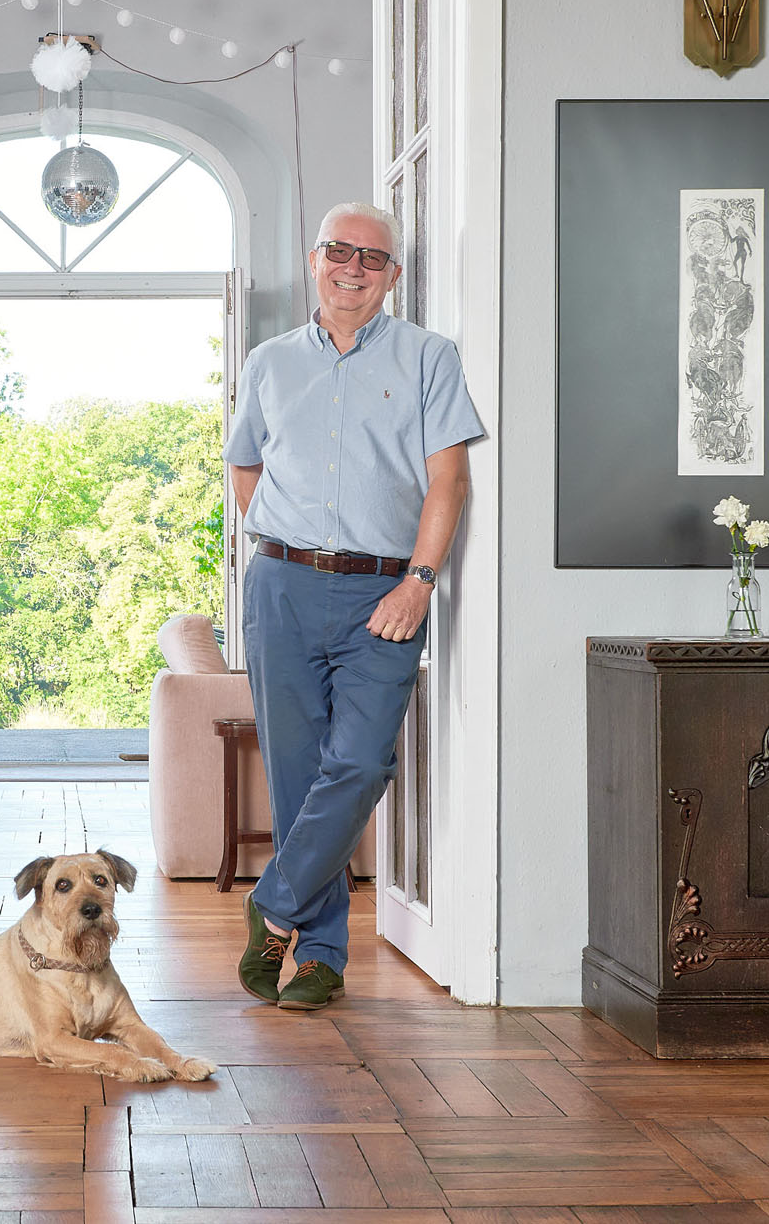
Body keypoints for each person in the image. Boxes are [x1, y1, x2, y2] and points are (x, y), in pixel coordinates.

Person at [223, 202, 483, 1010]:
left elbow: (450, 481)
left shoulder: (428, 358)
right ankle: (323, 955)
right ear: (315, 260)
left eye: (372, 258)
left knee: (361, 764)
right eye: (341, 252)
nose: (354, 268)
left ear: (392, 276)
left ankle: (273, 908)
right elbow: (244, 472)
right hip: (284, 586)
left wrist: (420, 580)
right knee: (301, 779)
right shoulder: (267, 362)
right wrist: (285, 546)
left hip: (387, 593)